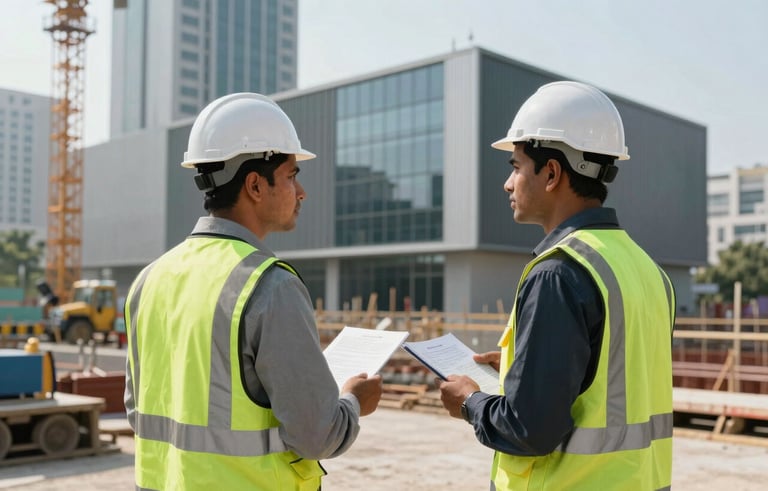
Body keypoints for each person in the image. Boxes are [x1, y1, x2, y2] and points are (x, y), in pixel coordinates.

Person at [124, 92, 383, 490]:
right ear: (255, 185)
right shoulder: (269, 285)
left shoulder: (150, 279)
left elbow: (136, 409)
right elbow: (317, 435)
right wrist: (352, 401)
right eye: (293, 175)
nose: (301, 192)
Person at [436, 81, 675, 490]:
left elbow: (529, 430)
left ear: (551, 173)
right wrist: (522, 367)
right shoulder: (647, 269)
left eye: (515, 166)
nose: (508, 184)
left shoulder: (558, 273)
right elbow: (609, 380)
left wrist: (470, 402)